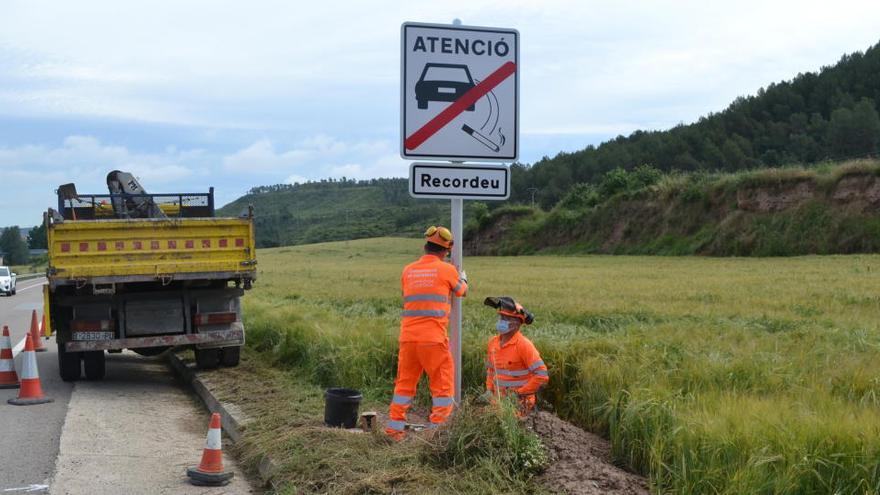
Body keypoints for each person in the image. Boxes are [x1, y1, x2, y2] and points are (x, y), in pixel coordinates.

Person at [385, 226, 468, 440]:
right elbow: (462, 291)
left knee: (404, 384)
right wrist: (464, 278)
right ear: (447, 250)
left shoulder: (408, 270)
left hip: (408, 338)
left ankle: (394, 430)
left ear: (425, 246)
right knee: (442, 386)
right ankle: (437, 433)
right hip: (433, 340)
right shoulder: (448, 270)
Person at [484, 297, 548, 416]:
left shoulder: (524, 345)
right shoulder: (493, 343)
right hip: (497, 404)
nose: (502, 321)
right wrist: (488, 390)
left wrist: (518, 394)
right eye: (501, 317)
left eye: (506, 318)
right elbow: (491, 370)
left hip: (519, 406)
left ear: (517, 323)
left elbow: (542, 375)